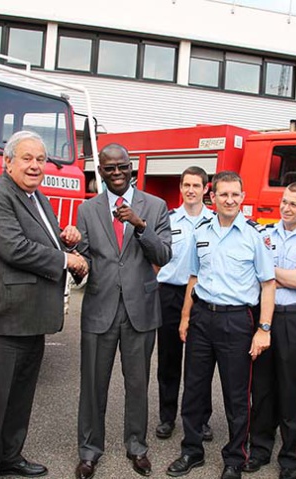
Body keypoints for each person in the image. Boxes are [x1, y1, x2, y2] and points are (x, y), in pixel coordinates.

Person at [0, 130, 86, 479]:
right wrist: (66, 260)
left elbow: (39, 241)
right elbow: (15, 248)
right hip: (0, 319)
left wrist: (64, 237)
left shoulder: (37, 198)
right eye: (27, 158)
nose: (35, 166)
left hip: (30, 319)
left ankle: (9, 457)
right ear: (8, 162)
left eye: (40, 159)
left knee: (18, 399)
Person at [167, 171, 275, 479]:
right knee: (194, 390)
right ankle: (191, 451)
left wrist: (263, 329)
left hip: (237, 321)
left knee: (236, 396)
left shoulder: (255, 236)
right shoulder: (201, 232)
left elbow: (268, 284)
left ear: (242, 197)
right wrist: (186, 317)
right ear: (212, 198)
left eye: (235, 195)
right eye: (223, 194)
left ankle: (234, 459)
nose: (229, 200)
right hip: (202, 317)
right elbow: (192, 277)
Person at [75, 143, 171, 479]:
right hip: (99, 308)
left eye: (122, 167)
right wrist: (75, 264)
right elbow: (85, 259)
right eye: (109, 168)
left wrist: (141, 225)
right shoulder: (87, 210)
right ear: (100, 171)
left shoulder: (155, 206)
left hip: (140, 310)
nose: (116, 173)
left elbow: (164, 255)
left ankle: (137, 446)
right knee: (92, 384)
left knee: (137, 384)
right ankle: (89, 451)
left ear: (133, 168)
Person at [245, 182, 296, 479]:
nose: (287, 208)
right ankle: (260, 449)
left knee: (291, 390)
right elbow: (253, 271)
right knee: (261, 387)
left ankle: (290, 457)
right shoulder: (264, 234)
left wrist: (269, 271)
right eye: (285, 202)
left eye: (294, 204)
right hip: (265, 316)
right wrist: (284, 274)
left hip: (294, 319)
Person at [155, 166, 215, 442]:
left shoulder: (215, 221)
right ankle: (167, 418)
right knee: (169, 360)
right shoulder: (167, 219)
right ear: (180, 188)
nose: (190, 190)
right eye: (186, 185)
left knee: (199, 362)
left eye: (196, 185)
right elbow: (155, 257)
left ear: (206, 189)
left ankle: (200, 419)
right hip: (169, 294)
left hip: (201, 297)